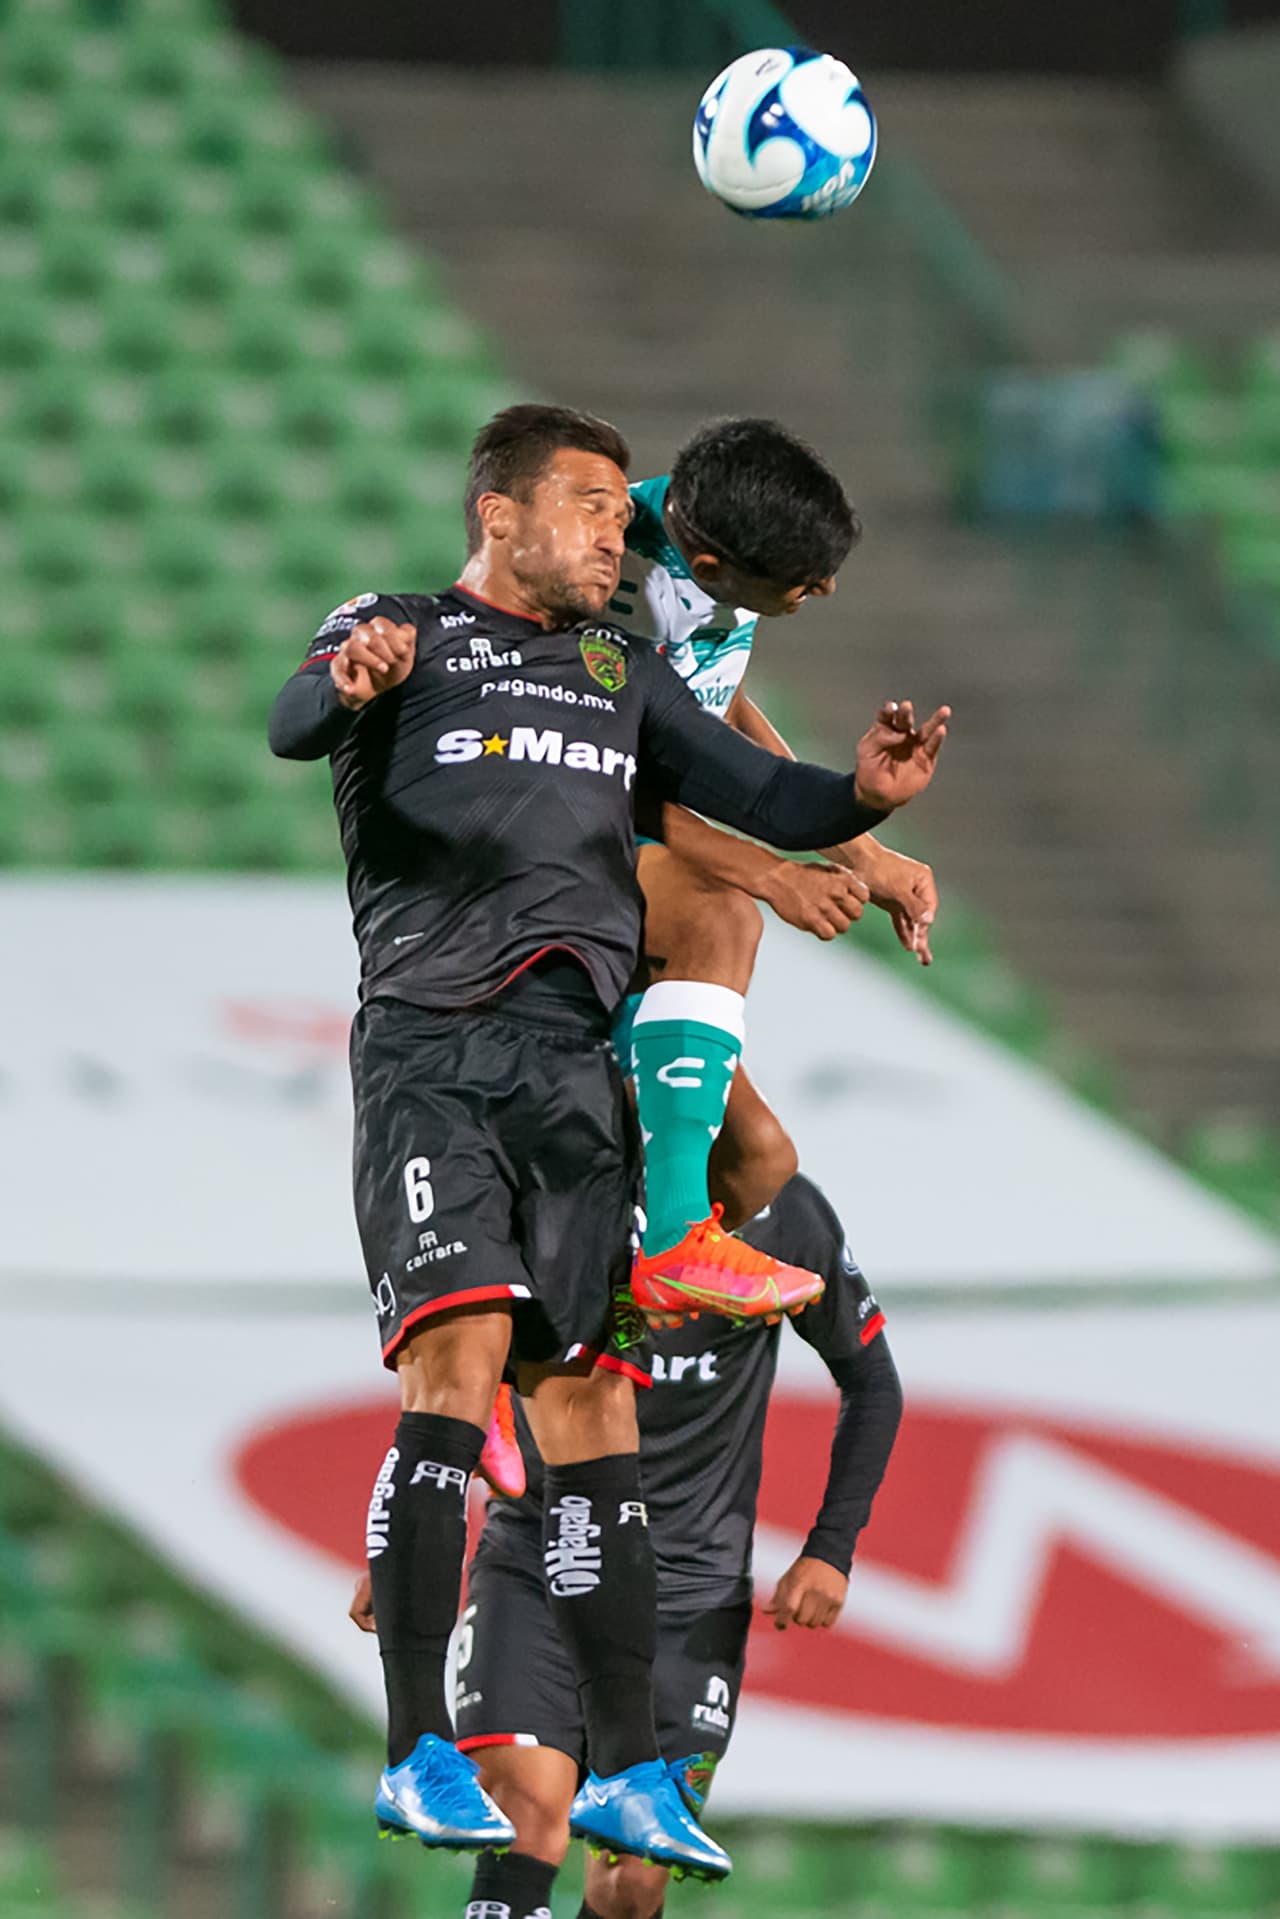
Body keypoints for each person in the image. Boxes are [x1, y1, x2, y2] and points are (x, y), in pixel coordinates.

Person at [269, 402, 947, 1873]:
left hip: (570, 1066)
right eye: (587, 508)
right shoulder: (403, 628)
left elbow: (751, 778)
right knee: (453, 1371)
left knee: (588, 1407)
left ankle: (636, 1772)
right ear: (500, 514)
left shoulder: (619, 662)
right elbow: (294, 719)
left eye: (616, 512)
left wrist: (862, 807)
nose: (613, 535)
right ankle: (411, 1753)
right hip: (437, 1048)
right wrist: (349, 678)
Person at [350, 1173, 902, 1919]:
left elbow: (872, 1379)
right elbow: (459, 1356)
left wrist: (831, 1547)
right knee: (522, 1812)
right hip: (542, 1558)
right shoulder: (565, 1179)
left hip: (690, 1593)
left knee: (631, 1886)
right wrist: (415, 1532)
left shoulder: (784, 1212)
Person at [608, 420, 940, 1305]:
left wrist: (863, 853)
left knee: (760, 1159)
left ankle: (611, 1322)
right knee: (723, 914)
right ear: (712, 567)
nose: (824, 587)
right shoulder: (613, 589)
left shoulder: (708, 542)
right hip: (566, 846)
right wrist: (770, 871)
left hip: (640, 838)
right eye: (804, 580)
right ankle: (675, 1241)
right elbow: (596, 777)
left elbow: (717, 705)